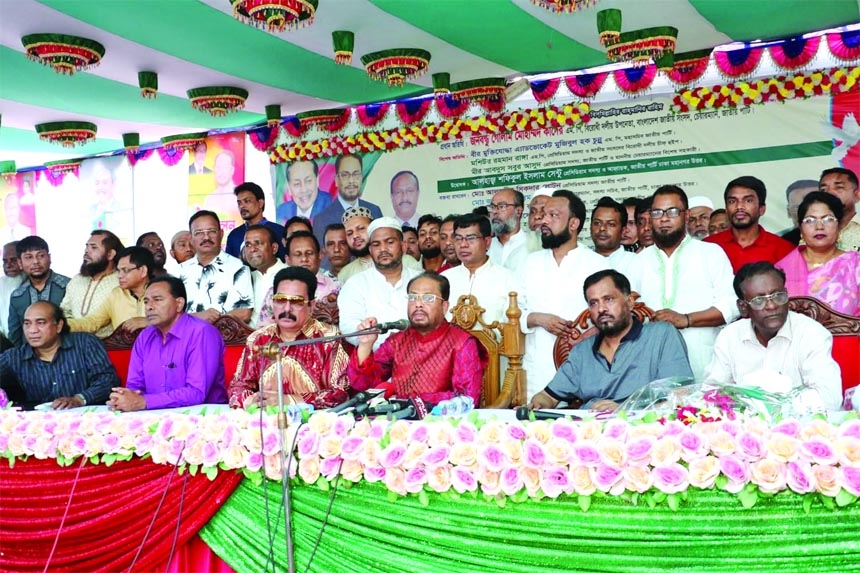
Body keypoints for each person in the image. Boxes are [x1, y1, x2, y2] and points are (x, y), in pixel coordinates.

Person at [529, 270, 693, 413]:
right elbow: (547, 396)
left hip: (643, 432)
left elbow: (681, 397)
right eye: (593, 303)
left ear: (629, 303)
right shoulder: (583, 351)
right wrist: (537, 405)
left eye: (608, 299)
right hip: (589, 434)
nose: (601, 309)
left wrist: (625, 410)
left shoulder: (661, 335)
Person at [629, 185, 738, 379]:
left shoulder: (710, 253)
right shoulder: (638, 262)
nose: (664, 218)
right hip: (651, 363)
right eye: (657, 212)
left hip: (704, 361)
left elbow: (731, 306)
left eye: (672, 211)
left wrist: (686, 319)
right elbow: (628, 311)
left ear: (686, 216)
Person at [704, 262, 842, 411]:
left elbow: (829, 398)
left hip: (801, 426)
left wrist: (773, 406)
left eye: (778, 296)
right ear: (743, 307)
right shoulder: (729, 337)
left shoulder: (811, 333)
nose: (771, 306)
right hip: (745, 426)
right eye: (759, 300)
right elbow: (711, 393)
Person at [520, 190, 610, 398]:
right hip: (536, 373)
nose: (544, 221)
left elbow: (613, 316)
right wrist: (537, 319)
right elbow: (511, 312)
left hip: (584, 368)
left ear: (573, 224)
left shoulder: (597, 264)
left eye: (553, 215)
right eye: (543, 215)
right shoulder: (530, 263)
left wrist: (587, 337)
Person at [348, 272, 486, 406]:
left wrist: (407, 400)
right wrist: (365, 344)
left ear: (444, 307)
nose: (418, 304)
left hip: (442, 423)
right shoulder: (397, 341)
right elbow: (363, 385)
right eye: (413, 297)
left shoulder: (462, 342)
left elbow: (467, 398)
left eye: (428, 298)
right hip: (397, 421)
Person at [228, 267, 350, 409]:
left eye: (296, 302)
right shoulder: (258, 339)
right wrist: (251, 400)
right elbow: (237, 388)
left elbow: (340, 394)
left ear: (312, 305)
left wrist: (288, 401)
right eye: (280, 300)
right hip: (266, 420)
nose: (286, 309)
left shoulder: (328, 339)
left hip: (312, 424)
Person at [108, 276, 226, 411]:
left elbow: (196, 393)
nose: (149, 307)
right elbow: (134, 386)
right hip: (152, 417)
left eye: (157, 300)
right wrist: (125, 398)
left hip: (203, 418)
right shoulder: (145, 337)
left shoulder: (201, 333)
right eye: (146, 301)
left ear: (179, 304)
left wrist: (144, 402)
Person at [0, 301, 117, 410]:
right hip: (40, 424)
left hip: (88, 419)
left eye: (40, 323)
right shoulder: (15, 357)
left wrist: (79, 399)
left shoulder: (85, 343)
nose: (32, 330)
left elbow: (107, 380)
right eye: (27, 324)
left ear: (59, 325)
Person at [338, 217, 422, 350]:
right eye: (376, 245)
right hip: (374, 359)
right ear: (370, 250)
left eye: (389, 242)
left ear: (403, 246)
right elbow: (349, 325)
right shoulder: (355, 284)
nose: (383, 249)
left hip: (420, 356)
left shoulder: (421, 280)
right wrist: (383, 348)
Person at [775, 191, 860, 316]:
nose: (819, 226)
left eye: (828, 219)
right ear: (800, 227)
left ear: (840, 225)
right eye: (810, 220)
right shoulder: (782, 269)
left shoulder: (855, 265)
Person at [705, 176, 794, 273]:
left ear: (761, 209)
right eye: (732, 201)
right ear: (726, 210)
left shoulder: (785, 250)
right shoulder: (708, 245)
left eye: (748, 201)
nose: (739, 207)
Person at [177, 210, 253, 324]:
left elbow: (244, 312)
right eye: (199, 233)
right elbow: (169, 315)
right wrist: (200, 316)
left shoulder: (238, 268)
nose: (206, 237)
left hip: (223, 339)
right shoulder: (178, 272)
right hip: (184, 340)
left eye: (211, 231)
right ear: (191, 238)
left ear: (221, 234)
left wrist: (210, 320)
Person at [441, 213, 518, 325]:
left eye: (470, 238)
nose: (463, 245)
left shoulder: (508, 279)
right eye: (458, 239)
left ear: (487, 242)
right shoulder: (444, 279)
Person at [256, 231, 340, 328]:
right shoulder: (275, 292)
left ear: (320, 255)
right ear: (288, 260)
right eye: (298, 254)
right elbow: (262, 331)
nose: (304, 259)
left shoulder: (336, 287)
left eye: (309, 253)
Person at [67, 246, 154, 334]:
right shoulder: (117, 294)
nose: (119, 276)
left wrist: (151, 322)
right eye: (119, 270)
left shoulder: (163, 293)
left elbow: (168, 321)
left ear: (143, 271)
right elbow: (92, 322)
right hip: (125, 348)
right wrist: (63, 325)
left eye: (125, 270)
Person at [7, 236, 70, 346]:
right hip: (30, 359)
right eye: (28, 257)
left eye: (41, 256)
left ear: (49, 258)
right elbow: (15, 335)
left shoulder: (68, 286)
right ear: (20, 263)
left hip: (68, 355)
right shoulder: (17, 296)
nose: (36, 261)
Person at [60, 230, 123, 338]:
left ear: (110, 254)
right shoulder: (77, 280)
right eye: (87, 247)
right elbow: (65, 311)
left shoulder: (120, 281)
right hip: (75, 344)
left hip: (108, 348)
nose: (86, 251)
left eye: (93, 247)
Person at [312, 154, 383, 247]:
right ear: (336, 180)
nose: (351, 181)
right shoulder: (321, 219)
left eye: (356, 174)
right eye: (345, 175)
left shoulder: (374, 211)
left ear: (361, 178)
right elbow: (323, 257)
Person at [338, 207, 421, 283]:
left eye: (361, 229)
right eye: (349, 233)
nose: (355, 236)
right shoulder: (345, 274)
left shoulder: (408, 263)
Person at [225, 182, 286, 260]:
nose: (242, 206)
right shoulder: (234, 235)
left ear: (260, 203)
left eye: (247, 201)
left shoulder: (279, 231)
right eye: (239, 203)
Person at [243, 225, 287, 328]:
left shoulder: (290, 275)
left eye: (258, 243)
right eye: (248, 245)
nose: (252, 249)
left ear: (274, 248)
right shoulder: (244, 278)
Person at [589, 196, 638, 280]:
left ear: (623, 230)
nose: (602, 228)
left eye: (611, 224)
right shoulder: (580, 261)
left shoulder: (637, 262)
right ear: (590, 227)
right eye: (597, 223)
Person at [276, 159, 332, 224]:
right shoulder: (281, 211)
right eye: (297, 184)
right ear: (289, 188)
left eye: (308, 181)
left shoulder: (331, 205)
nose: (304, 190)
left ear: (317, 180)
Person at [819, 167, 860, 252]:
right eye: (823, 190)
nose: (829, 193)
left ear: (857, 195)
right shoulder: (811, 229)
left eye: (839, 187)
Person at [488, 188, 529, 271]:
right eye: (493, 207)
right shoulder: (485, 247)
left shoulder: (533, 246)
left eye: (502, 206)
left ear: (518, 211)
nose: (495, 211)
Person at [780, 179, 818, 245]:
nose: (806, 213)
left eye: (815, 206)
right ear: (789, 212)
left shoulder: (841, 238)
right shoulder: (776, 242)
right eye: (798, 208)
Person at [0, 241, 23, 338]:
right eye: (5, 261)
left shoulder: (36, 283)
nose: (8, 265)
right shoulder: (1, 283)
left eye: (13, 260)